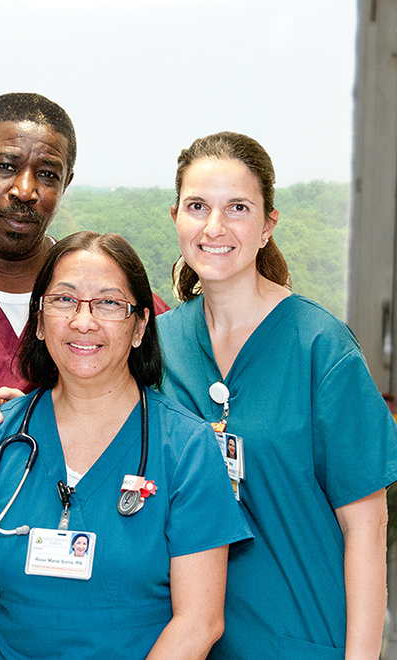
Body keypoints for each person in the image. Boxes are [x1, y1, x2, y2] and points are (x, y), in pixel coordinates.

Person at [0, 231, 250, 660]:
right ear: (40, 319)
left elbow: (200, 620)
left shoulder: (186, 449)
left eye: (108, 303)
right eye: (64, 300)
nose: (83, 321)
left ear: (140, 325)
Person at [157, 131, 397, 659]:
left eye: (237, 208)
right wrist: (11, 410)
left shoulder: (320, 347)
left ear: (268, 225)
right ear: (176, 216)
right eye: (197, 206)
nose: (214, 227)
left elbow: (366, 527)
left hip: (301, 638)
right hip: (188, 641)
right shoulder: (159, 346)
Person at [0, 94, 170, 394]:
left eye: (47, 175)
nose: (25, 190)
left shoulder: (117, 301)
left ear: (65, 183)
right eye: (5, 167)